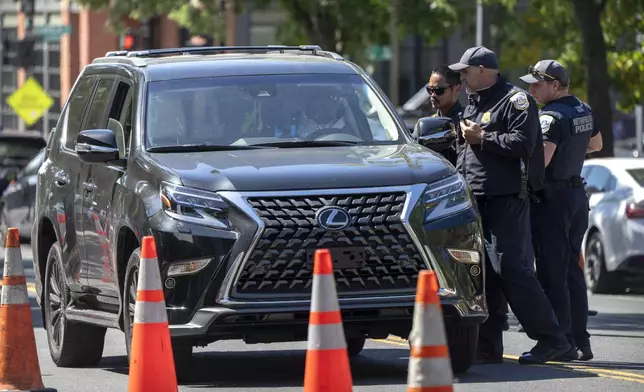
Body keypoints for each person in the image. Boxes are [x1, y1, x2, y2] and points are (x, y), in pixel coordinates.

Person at [448, 45, 570, 365]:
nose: (461, 75)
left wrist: (482, 138)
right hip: (477, 199)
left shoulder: (514, 100)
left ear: (484, 71)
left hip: (506, 198)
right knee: (485, 274)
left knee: (512, 269)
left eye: (466, 70)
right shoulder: (472, 103)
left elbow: (524, 144)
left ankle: (552, 339)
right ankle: (487, 346)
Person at [520, 60, 603, 361]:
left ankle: (562, 341)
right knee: (573, 270)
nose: (531, 89)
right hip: (577, 197)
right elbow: (596, 144)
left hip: (554, 200)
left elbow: (541, 161)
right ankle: (581, 340)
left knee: (553, 273)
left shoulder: (550, 117)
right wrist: (572, 150)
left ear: (555, 85)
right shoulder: (584, 109)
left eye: (537, 84)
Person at [427, 65, 464, 166]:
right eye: (430, 90)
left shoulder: (466, 122)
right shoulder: (430, 123)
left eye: (439, 90)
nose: (433, 95)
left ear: (457, 88)